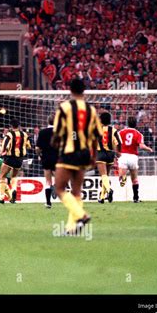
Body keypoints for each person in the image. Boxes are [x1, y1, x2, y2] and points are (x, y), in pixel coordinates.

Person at [51, 78, 103, 235]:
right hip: (85, 153)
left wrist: (55, 146)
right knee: (76, 192)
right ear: (84, 90)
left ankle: (82, 215)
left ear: (70, 90)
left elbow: (58, 132)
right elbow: (97, 136)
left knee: (59, 188)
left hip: (68, 153)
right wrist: (93, 156)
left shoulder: (65, 107)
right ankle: (71, 228)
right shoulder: (91, 110)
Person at [118, 117, 153, 203]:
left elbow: (115, 141)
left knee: (121, 176)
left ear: (127, 123)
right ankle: (136, 198)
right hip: (133, 157)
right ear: (136, 124)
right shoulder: (138, 134)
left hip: (123, 156)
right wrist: (149, 149)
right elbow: (141, 146)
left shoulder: (121, 132)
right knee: (134, 178)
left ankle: (123, 177)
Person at [0, 118, 31, 204]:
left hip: (10, 158)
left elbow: (4, 146)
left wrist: (2, 152)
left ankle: (1, 197)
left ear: (11, 126)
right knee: (14, 177)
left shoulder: (9, 134)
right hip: (19, 159)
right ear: (19, 126)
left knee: (2, 176)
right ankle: (14, 190)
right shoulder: (25, 134)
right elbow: (28, 146)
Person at [96, 112, 122, 204]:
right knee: (106, 176)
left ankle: (109, 190)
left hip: (100, 154)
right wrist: (119, 152)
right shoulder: (113, 130)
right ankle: (102, 197)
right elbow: (118, 142)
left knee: (103, 175)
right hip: (110, 155)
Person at [36, 114, 58, 208]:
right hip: (58, 158)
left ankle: (48, 203)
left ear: (47, 122)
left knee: (48, 181)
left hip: (46, 158)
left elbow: (37, 148)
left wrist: (39, 154)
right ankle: (56, 186)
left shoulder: (42, 132)